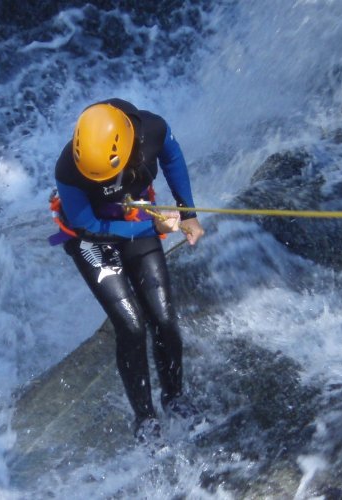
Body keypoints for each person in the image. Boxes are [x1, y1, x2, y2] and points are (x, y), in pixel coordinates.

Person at [51, 98, 205, 441]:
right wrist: (156, 229)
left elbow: (172, 157)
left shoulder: (151, 129)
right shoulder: (68, 168)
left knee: (163, 317)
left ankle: (174, 397)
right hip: (90, 237)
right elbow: (86, 223)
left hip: (135, 216)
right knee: (132, 326)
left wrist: (188, 212)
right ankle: (145, 418)